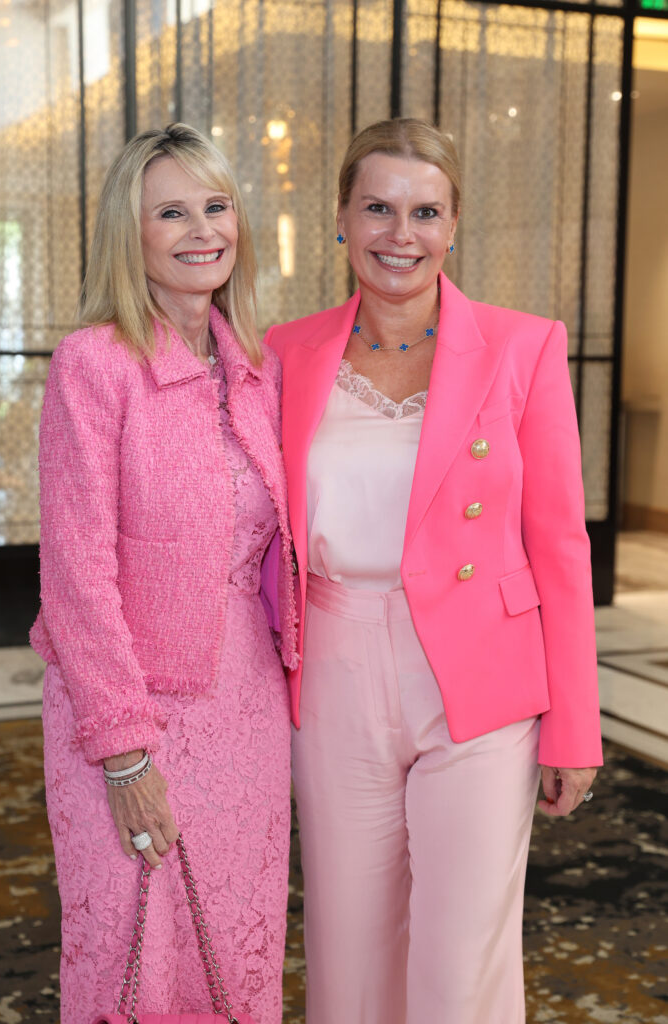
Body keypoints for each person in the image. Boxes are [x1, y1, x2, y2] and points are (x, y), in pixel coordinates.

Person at [266, 117, 602, 1024]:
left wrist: (574, 724)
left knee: (461, 955)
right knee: (349, 941)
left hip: (480, 675)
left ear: (454, 226)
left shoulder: (522, 345)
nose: (398, 233)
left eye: (424, 211)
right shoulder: (283, 353)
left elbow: (559, 545)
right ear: (340, 216)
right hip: (334, 666)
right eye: (376, 207)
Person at [31, 122, 297, 1024]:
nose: (201, 229)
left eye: (215, 206)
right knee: (128, 953)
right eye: (170, 212)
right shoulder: (94, 364)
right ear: (130, 232)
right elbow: (75, 574)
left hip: (249, 707)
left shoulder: (258, 368)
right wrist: (124, 752)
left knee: (238, 938)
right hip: (129, 711)